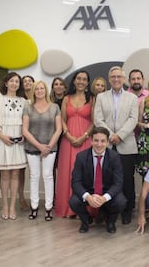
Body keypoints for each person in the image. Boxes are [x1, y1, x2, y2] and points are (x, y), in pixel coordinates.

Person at [94, 66, 138, 224]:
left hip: (126, 145)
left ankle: (127, 211)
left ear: (124, 79)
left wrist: (120, 135)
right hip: (105, 145)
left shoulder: (132, 98)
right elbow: (98, 119)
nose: (116, 79)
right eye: (113, 77)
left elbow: (133, 119)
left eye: (119, 76)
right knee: (105, 179)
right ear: (109, 79)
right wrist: (110, 136)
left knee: (127, 180)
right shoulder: (101, 97)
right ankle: (105, 211)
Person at [69, 127, 126, 233]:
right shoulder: (81, 157)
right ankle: (86, 221)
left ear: (108, 142)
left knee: (121, 201)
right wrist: (88, 197)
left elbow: (118, 183)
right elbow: (76, 182)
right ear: (91, 141)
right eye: (96, 140)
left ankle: (111, 222)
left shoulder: (114, 157)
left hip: (106, 191)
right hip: (89, 191)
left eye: (103, 141)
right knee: (74, 201)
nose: (99, 144)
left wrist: (105, 198)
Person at [56, 71, 94, 217]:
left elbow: (93, 121)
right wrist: (69, 136)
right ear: (74, 81)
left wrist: (84, 136)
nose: (81, 81)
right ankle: (68, 208)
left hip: (85, 140)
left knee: (84, 174)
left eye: (84, 79)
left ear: (87, 82)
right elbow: (63, 120)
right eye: (79, 78)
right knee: (68, 172)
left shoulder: (91, 99)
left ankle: (83, 209)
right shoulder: (66, 98)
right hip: (68, 141)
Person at [23, 80, 62, 221]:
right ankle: (34, 207)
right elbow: (25, 131)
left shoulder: (55, 107)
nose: (39, 91)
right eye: (37, 89)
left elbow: (59, 129)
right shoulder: (28, 107)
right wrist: (39, 146)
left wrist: (49, 146)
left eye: (42, 88)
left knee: (48, 176)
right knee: (34, 176)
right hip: (32, 147)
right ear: (33, 91)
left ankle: (48, 208)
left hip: (50, 148)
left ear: (46, 90)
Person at [0, 72, 28, 220]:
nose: (14, 83)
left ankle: (13, 205)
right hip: (3, 140)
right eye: (11, 81)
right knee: (5, 175)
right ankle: (5, 205)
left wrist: (24, 136)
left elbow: (27, 122)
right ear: (6, 83)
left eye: (17, 81)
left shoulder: (24, 101)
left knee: (15, 174)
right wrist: (1, 136)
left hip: (18, 142)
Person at [19, 75, 35, 211]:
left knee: (34, 171)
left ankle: (34, 198)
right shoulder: (20, 100)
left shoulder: (38, 99)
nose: (27, 83)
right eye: (25, 81)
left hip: (35, 138)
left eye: (30, 81)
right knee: (20, 170)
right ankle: (21, 197)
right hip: (21, 138)